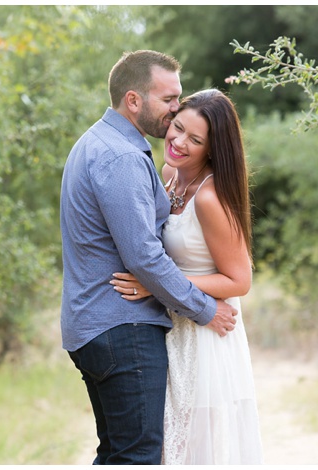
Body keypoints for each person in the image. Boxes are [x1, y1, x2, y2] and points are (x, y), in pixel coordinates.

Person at [59, 51, 239, 465]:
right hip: (123, 328)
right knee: (137, 457)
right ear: (134, 100)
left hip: (99, 324)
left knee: (119, 453)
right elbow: (144, 257)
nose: (178, 107)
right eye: (169, 98)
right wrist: (204, 309)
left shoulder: (100, 142)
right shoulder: (121, 157)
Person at [111, 89, 264, 464]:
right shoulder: (168, 175)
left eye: (194, 140)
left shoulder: (210, 199)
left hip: (206, 338)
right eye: (177, 127)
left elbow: (239, 281)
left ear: (212, 150)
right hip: (172, 326)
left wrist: (157, 285)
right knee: (167, 441)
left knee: (198, 446)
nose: (178, 142)